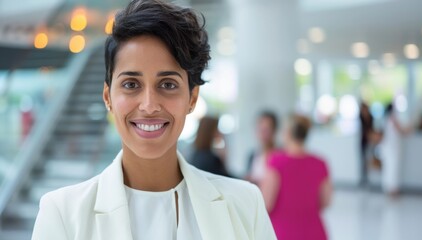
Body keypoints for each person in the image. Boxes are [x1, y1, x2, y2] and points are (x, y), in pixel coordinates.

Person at [32, 1, 276, 239]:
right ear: (108, 97)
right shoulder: (63, 214)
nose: (149, 105)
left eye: (168, 84)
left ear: (192, 98)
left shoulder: (245, 204)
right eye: (130, 84)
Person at [260, 114, 332, 240]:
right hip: (314, 232)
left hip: (281, 232)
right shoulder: (320, 163)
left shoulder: (276, 161)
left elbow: (267, 203)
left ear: (287, 133)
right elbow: (325, 201)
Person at [379, 102, 412, 198]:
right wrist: (408, 129)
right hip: (390, 148)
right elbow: (402, 131)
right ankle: (391, 189)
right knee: (392, 168)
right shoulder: (392, 120)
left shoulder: (387, 119)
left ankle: (391, 189)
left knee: (390, 168)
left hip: (390, 148)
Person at [246, 110, 278, 186]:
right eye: (260, 129)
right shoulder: (252, 155)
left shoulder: (280, 156)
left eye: (266, 130)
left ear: (274, 131)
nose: (263, 133)